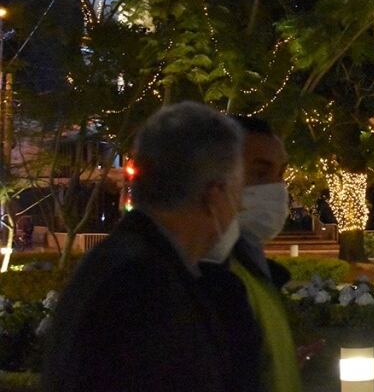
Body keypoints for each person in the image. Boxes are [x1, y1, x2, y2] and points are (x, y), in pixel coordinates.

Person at [43, 102, 244, 392]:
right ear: (214, 195)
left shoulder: (118, 262)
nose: (241, 206)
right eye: (238, 191)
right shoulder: (147, 286)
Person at [199, 115, 302, 392]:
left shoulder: (249, 267)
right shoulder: (189, 272)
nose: (277, 189)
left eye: (280, 175)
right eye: (259, 173)